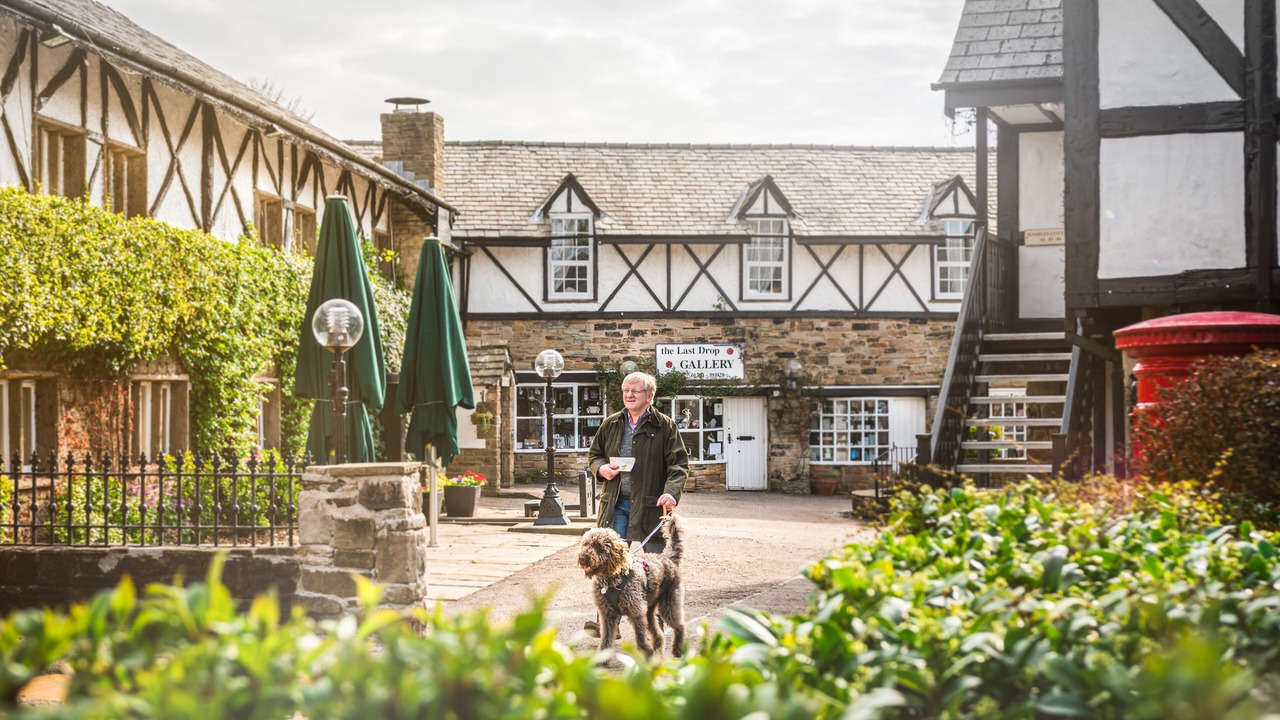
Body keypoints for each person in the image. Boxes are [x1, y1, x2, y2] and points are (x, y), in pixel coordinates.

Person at [583, 370, 689, 638]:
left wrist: (671, 493)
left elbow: (679, 466)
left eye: (635, 391)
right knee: (606, 560)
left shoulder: (664, 426)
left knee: (653, 566)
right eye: (625, 391)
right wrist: (601, 468)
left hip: (651, 505)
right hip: (615, 503)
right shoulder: (611, 423)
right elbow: (594, 455)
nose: (628, 395)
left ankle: (658, 623)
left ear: (650, 396)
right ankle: (607, 622)